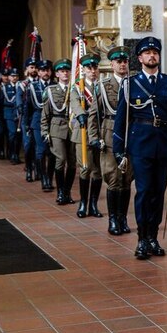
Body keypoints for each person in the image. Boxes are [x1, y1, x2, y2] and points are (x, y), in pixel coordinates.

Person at [113, 37, 167, 259]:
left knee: (158, 193)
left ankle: (153, 237)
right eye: (147, 53)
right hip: (140, 145)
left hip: (163, 145)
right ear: (140, 58)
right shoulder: (130, 84)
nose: (152, 56)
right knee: (143, 192)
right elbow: (122, 120)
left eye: (155, 52)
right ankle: (142, 239)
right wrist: (119, 150)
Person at [89, 46, 134, 235]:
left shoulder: (135, 84)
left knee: (126, 180)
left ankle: (123, 218)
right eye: (118, 61)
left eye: (125, 61)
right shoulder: (103, 86)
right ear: (112, 64)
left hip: (130, 136)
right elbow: (94, 115)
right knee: (114, 179)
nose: (122, 64)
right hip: (109, 136)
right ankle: (113, 220)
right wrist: (94, 137)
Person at [70, 54, 103, 219]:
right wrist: (81, 113)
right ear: (83, 70)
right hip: (82, 133)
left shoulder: (103, 86)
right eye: (89, 68)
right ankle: (83, 203)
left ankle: (93, 204)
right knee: (85, 169)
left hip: (99, 133)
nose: (92, 71)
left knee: (98, 171)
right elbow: (74, 103)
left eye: (95, 67)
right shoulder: (77, 87)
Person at [41, 59, 77, 205]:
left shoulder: (76, 89)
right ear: (56, 74)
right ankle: (60, 192)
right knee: (60, 160)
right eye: (62, 71)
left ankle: (67, 192)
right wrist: (44, 131)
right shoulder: (50, 91)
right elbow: (45, 114)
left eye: (67, 71)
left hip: (73, 128)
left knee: (73, 163)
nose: (65, 73)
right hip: (56, 128)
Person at [26, 60, 55, 192]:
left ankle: (49, 176)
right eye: (43, 70)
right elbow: (28, 107)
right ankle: (44, 179)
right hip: (37, 121)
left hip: (53, 121)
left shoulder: (55, 85)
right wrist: (27, 124)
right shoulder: (32, 86)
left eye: (48, 70)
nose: (45, 72)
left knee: (53, 152)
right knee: (41, 150)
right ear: (38, 71)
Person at [18, 58, 39, 182]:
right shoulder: (22, 84)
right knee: (27, 146)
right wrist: (21, 109)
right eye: (31, 67)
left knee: (38, 147)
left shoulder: (40, 84)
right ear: (26, 69)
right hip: (27, 118)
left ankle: (38, 169)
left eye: (35, 67)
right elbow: (19, 100)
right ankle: (29, 169)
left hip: (37, 118)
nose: (34, 69)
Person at [0, 68, 22, 164]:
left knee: (19, 135)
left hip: (19, 113)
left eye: (16, 76)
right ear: (9, 77)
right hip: (9, 113)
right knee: (12, 134)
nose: (14, 78)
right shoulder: (4, 88)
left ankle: (16, 154)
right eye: (12, 76)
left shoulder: (21, 87)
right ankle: (12, 153)